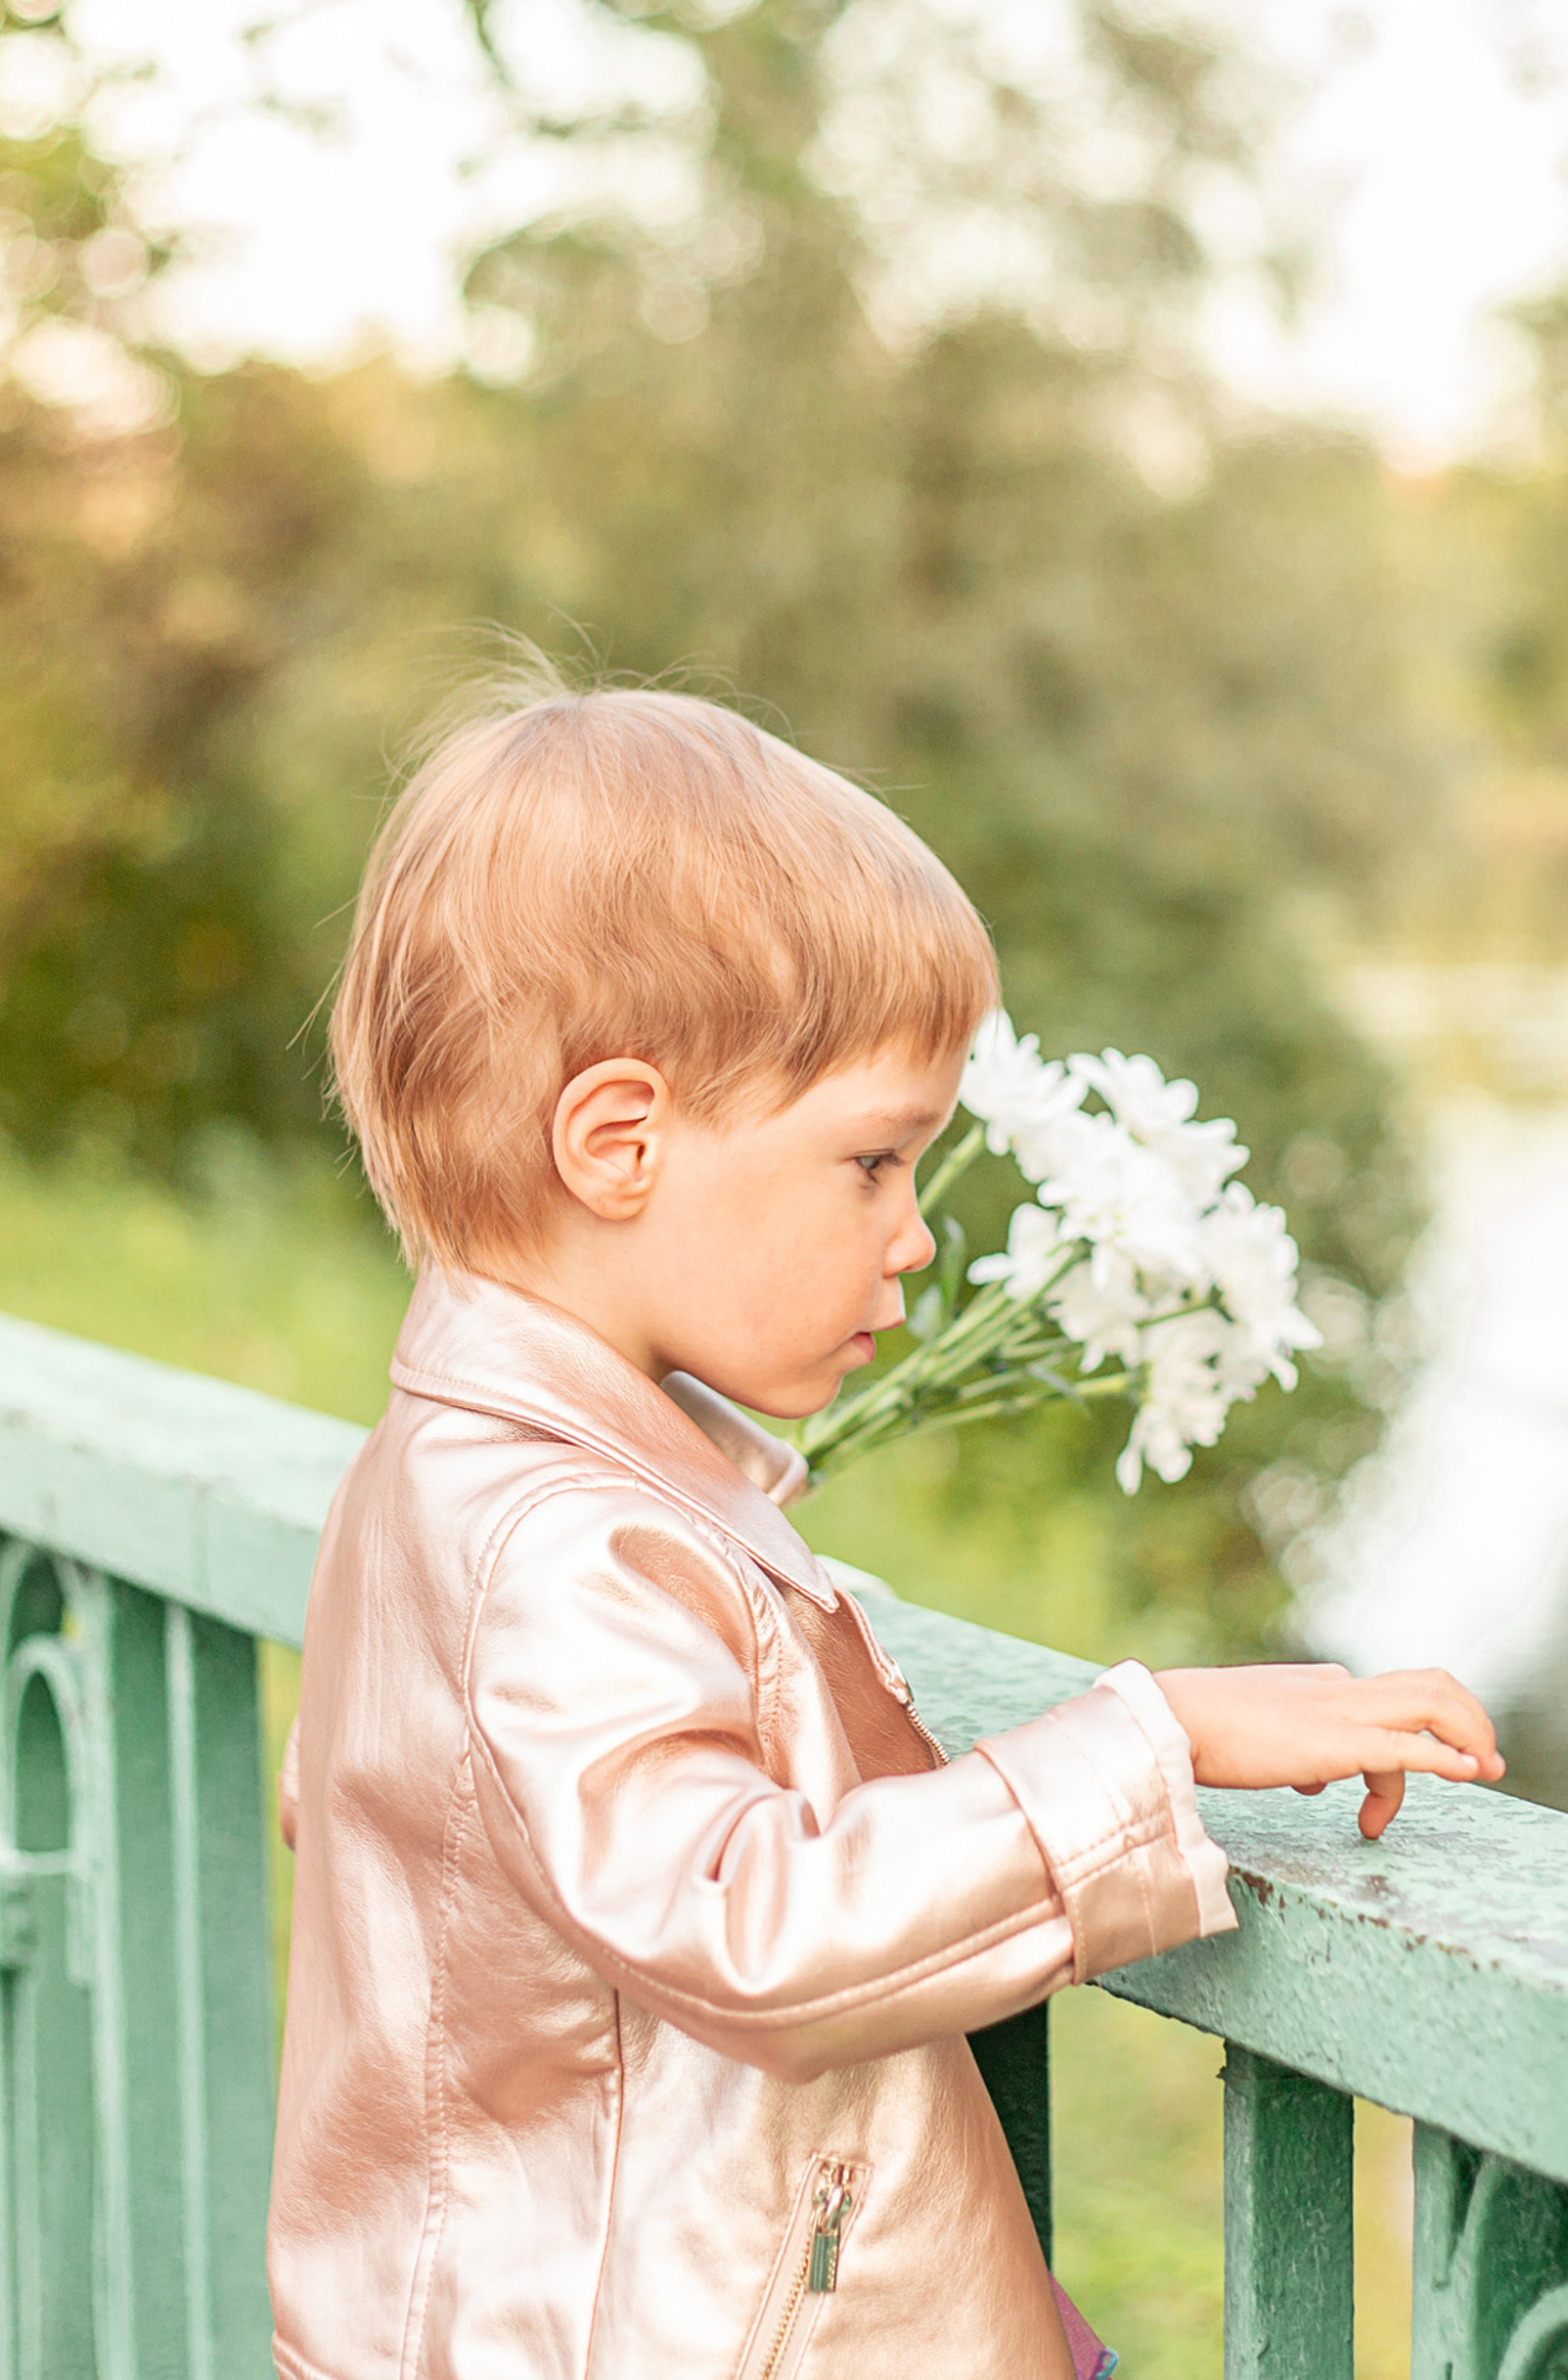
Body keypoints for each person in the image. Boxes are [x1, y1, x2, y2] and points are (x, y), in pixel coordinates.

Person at [268, 682, 1502, 2380]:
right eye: (872, 1163)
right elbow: (751, 1930)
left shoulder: (457, 1470)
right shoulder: (552, 1537)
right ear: (617, 1142)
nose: (915, 1238)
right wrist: (1155, 1743)